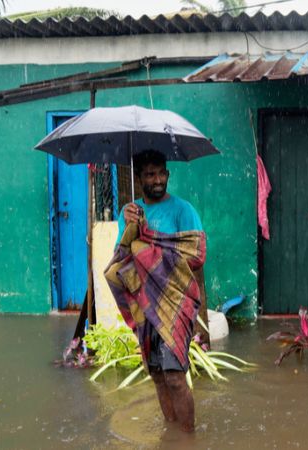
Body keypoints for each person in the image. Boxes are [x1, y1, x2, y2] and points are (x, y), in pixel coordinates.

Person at [112, 149, 205, 433]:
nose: (157, 179)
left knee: (175, 376)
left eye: (161, 173)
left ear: (167, 174)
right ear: (138, 178)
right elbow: (122, 259)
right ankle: (172, 434)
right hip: (146, 305)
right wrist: (132, 229)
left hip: (176, 304)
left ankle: (188, 440)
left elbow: (197, 256)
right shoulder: (128, 214)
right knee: (158, 375)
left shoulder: (183, 210)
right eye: (149, 174)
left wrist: (153, 247)